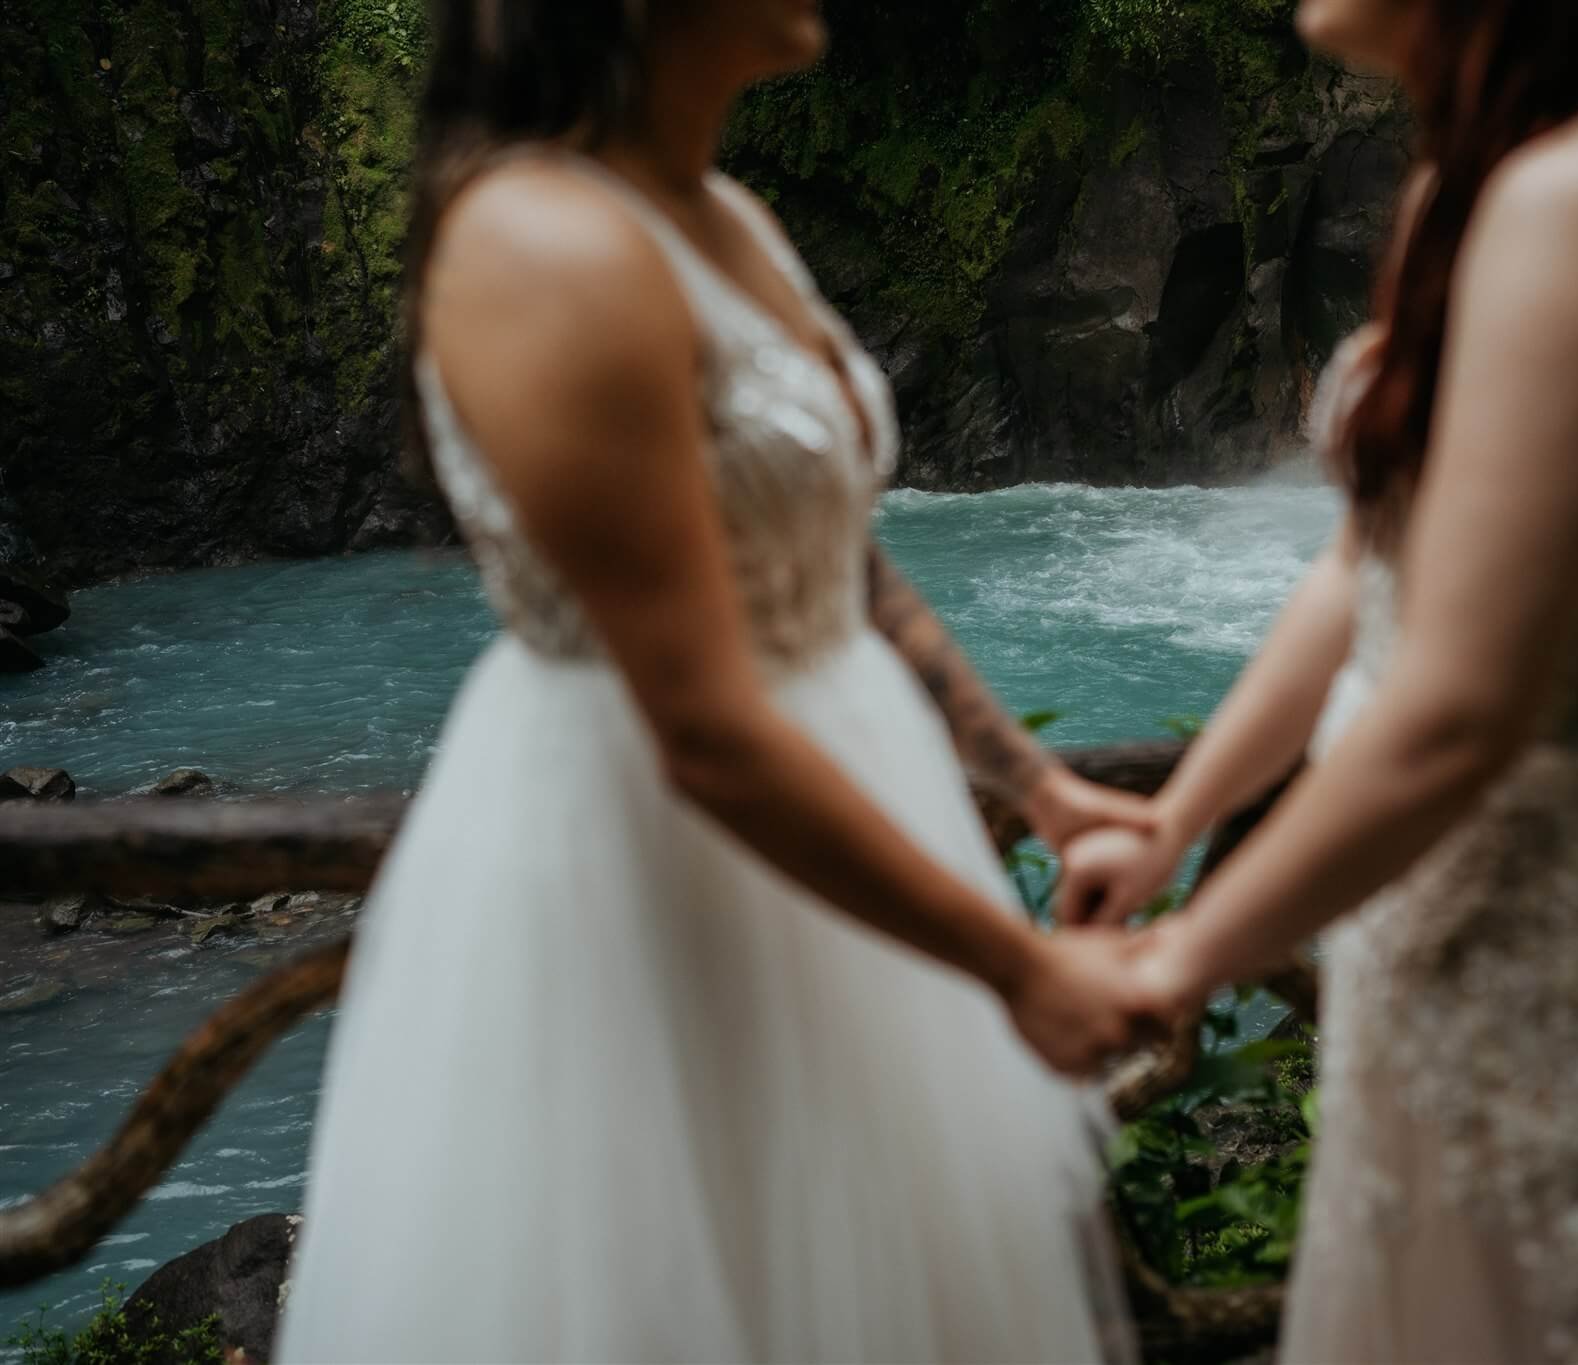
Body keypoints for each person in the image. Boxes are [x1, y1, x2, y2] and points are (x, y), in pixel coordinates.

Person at [277, 2, 1151, 1359]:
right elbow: (697, 726)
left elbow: (832, 552)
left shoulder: (726, 214)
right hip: (650, 850)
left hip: (856, 815)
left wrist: (1033, 785)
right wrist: (1015, 966)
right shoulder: (540, 245)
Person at [1060, 0, 1578, 1358]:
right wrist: (1174, 819)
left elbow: (1465, 704)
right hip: (1425, 938)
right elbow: (1360, 578)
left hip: (1569, 963)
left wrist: (1188, 952)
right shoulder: (1470, 193)